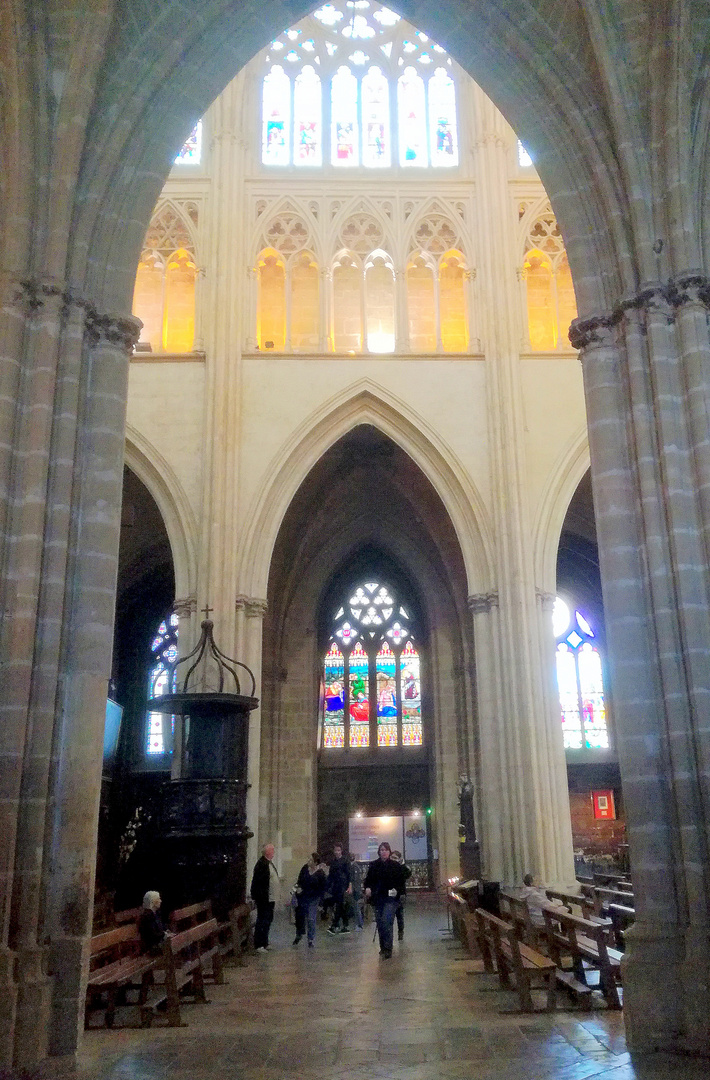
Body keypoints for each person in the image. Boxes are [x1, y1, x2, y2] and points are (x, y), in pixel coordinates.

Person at [364, 842, 407, 958]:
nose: (383, 852)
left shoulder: (395, 866)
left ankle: (388, 948)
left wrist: (399, 892)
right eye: (381, 850)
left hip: (391, 899)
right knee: (380, 923)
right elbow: (368, 880)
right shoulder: (374, 865)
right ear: (379, 852)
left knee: (387, 921)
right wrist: (368, 888)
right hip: (378, 898)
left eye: (385, 850)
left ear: (389, 852)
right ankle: (383, 947)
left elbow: (401, 882)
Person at [293, 852, 328, 948]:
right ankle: (299, 934)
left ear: (315, 862)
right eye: (308, 859)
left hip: (314, 898)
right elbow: (299, 881)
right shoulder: (305, 869)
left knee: (311, 919)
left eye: (310, 860)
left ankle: (311, 939)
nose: (308, 861)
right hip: (303, 896)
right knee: (300, 917)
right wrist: (297, 889)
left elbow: (323, 888)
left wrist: (321, 903)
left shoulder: (320, 874)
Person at [250, 843, 280, 951]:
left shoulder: (268, 863)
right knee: (262, 920)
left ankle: (265, 942)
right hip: (264, 899)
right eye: (272, 850)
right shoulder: (262, 864)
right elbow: (259, 882)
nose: (274, 852)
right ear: (268, 852)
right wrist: (258, 896)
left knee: (268, 920)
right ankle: (259, 944)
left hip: (270, 898)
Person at [326, 843, 352, 934]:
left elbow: (349, 874)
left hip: (343, 886)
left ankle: (335, 925)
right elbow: (330, 875)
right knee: (340, 906)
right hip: (335, 887)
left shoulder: (345, 861)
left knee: (340, 905)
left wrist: (349, 886)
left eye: (338, 850)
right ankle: (345, 925)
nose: (337, 852)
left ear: (341, 851)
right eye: (335, 850)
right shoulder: (333, 862)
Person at [138, 890, 168, 955]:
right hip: (150, 948)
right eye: (158, 899)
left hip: (158, 944)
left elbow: (162, 927)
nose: (160, 901)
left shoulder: (156, 913)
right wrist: (165, 935)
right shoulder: (146, 917)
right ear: (153, 901)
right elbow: (152, 935)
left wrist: (166, 932)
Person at [391, 850, 412, 941]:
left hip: (400, 893)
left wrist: (401, 864)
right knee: (389, 914)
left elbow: (407, 874)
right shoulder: (388, 866)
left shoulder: (402, 868)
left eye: (395, 858)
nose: (393, 859)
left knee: (399, 914)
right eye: (392, 857)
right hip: (390, 893)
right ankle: (389, 933)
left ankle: (400, 931)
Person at [347, 853, 364, 930]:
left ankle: (359, 924)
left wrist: (353, 889)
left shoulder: (354, 867)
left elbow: (355, 880)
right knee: (355, 907)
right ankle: (358, 924)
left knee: (356, 907)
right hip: (355, 889)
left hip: (355, 890)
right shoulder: (353, 866)